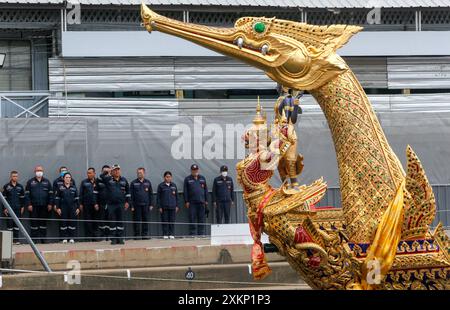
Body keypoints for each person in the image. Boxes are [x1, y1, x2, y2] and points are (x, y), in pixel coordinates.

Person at [24, 165, 53, 244]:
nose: (39, 172)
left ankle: (43, 240)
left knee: (43, 223)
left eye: (40, 170)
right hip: (33, 206)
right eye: (37, 170)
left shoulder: (47, 182)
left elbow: (51, 194)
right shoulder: (30, 182)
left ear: (43, 172)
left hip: (44, 206)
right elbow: (27, 195)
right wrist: (29, 204)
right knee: (34, 223)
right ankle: (34, 240)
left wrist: (50, 204)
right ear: (35, 172)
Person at [103, 164, 130, 245]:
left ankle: (120, 238)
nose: (117, 171)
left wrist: (127, 202)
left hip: (121, 204)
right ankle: (113, 239)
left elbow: (128, 192)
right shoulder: (108, 179)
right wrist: (107, 172)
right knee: (112, 222)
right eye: (115, 170)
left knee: (120, 221)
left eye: (118, 169)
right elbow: (101, 177)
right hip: (111, 205)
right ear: (112, 171)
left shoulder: (124, 180)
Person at [183, 164, 209, 237]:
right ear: (191, 171)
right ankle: (192, 234)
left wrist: (206, 200)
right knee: (192, 218)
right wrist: (186, 201)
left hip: (201, 202)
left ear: (198, 170)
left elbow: (205, 190)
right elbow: (185, 191)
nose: (195, 171)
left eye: (196, 170)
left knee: (201, 218)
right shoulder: (187, 179)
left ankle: (201, 233)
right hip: (192, 203)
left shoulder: (202, 178)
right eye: (194, 170)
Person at [55, 173, 80, 244]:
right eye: (66, 177)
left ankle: (71, 238)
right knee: (63, 222)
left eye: (69, 177)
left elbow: (77, 198)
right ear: (63, 178)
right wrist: (58, 208)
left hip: (72, 207)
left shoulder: (74, 187)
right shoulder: (60, 187)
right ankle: (64, 238)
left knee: (72, 222)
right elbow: (57, 198)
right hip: (63, 207)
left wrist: (78, 207)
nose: (68, 178)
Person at [1, 171, 25, 244]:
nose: (15, 177)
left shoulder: (20, 187)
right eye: (14, 176)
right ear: (11, 177)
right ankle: (9, 241)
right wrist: (4, 208)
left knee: (17, 225)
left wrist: (22, 207)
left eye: (16, 176)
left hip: (18, 208)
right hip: (9, 209)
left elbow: (22, 198)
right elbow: (3, 199)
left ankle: (16, 240)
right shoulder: (6, 186)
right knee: (10, 225)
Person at [130, 167, 153, 240]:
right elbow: (131, 195)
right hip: (136, 205)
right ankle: (137, 235)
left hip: (146, 205)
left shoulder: (148, 182)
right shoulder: (133, 183)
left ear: (144, 173)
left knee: (145, 220)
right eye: (138, 173)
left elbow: (150, 194)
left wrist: (151, 204)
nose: (139, 174)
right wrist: (132, 205)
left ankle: (144, 235)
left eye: (140, 173)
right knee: (136, 220)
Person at [156, 171, 179, 239]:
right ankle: (165, 234)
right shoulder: (161, 186)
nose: (168, 178)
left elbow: (177, 197)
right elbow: (158, 197)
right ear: (164, 177)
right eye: (167, 177)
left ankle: (171, 234)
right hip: (164, 207)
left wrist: (177, 206)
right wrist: (159, 207)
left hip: (172, 207)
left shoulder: (174, 185)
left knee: (172, 221)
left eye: (169, 177)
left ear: (171, 177)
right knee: (165, 221)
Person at [79, 168, 99, 242]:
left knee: (95, 220)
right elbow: (81, 193)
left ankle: (95, 237)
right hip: (87, 204)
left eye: (90, 173)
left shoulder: (98, 181)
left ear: (94, 173)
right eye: (88, 173)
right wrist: (80, 204)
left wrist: (97, 203)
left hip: (96, 205)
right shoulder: (84, 182)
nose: (89, 174)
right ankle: (88, 237)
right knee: (88, 221)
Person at [96, 165, 111, 240]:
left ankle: (108, 236)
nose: (106, 173)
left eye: (107, 171)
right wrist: (95, 203)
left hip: (110, 203)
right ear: (102, 171)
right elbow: (95, 192)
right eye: (104, 171)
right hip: (101, 203)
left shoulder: (112, 179)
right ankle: (102, 235)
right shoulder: (98, 179)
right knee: (101, 219)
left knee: (109, 219)